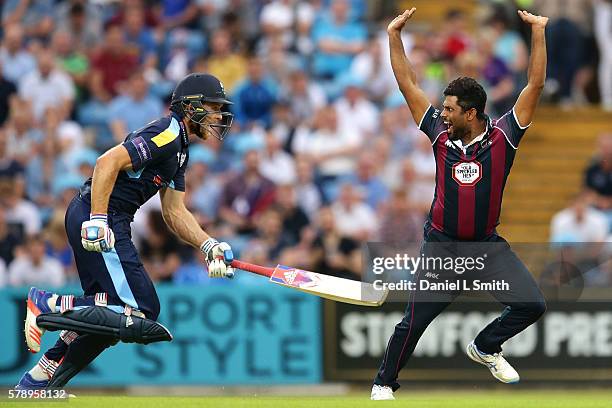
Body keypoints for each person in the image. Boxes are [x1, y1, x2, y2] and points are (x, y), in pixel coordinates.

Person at [371, 8, 549, 401]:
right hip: (442, 246)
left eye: (451, 108)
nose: (443, 113)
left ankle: (485, 346)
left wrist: (537, 32)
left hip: (485, 247)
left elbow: (535, 84)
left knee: (532, 304)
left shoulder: (504, 136)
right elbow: (407, 85)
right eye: (444, 108)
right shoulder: (438, 133)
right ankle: (383, 385)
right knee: (412, 323)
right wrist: (393, 36)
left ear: (472, 112)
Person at [16, 73, 236, 389]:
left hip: (102, 215)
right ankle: (47, 304)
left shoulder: (180, 149)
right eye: (213, 107)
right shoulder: (167, 134)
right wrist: (99, 218)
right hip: (101, 215)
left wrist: (208, 245)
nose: (218, 115)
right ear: (191, 107)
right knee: (141, 310)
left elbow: (174, 212)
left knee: (109, 319)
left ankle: (37, 381)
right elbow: (107, 162)